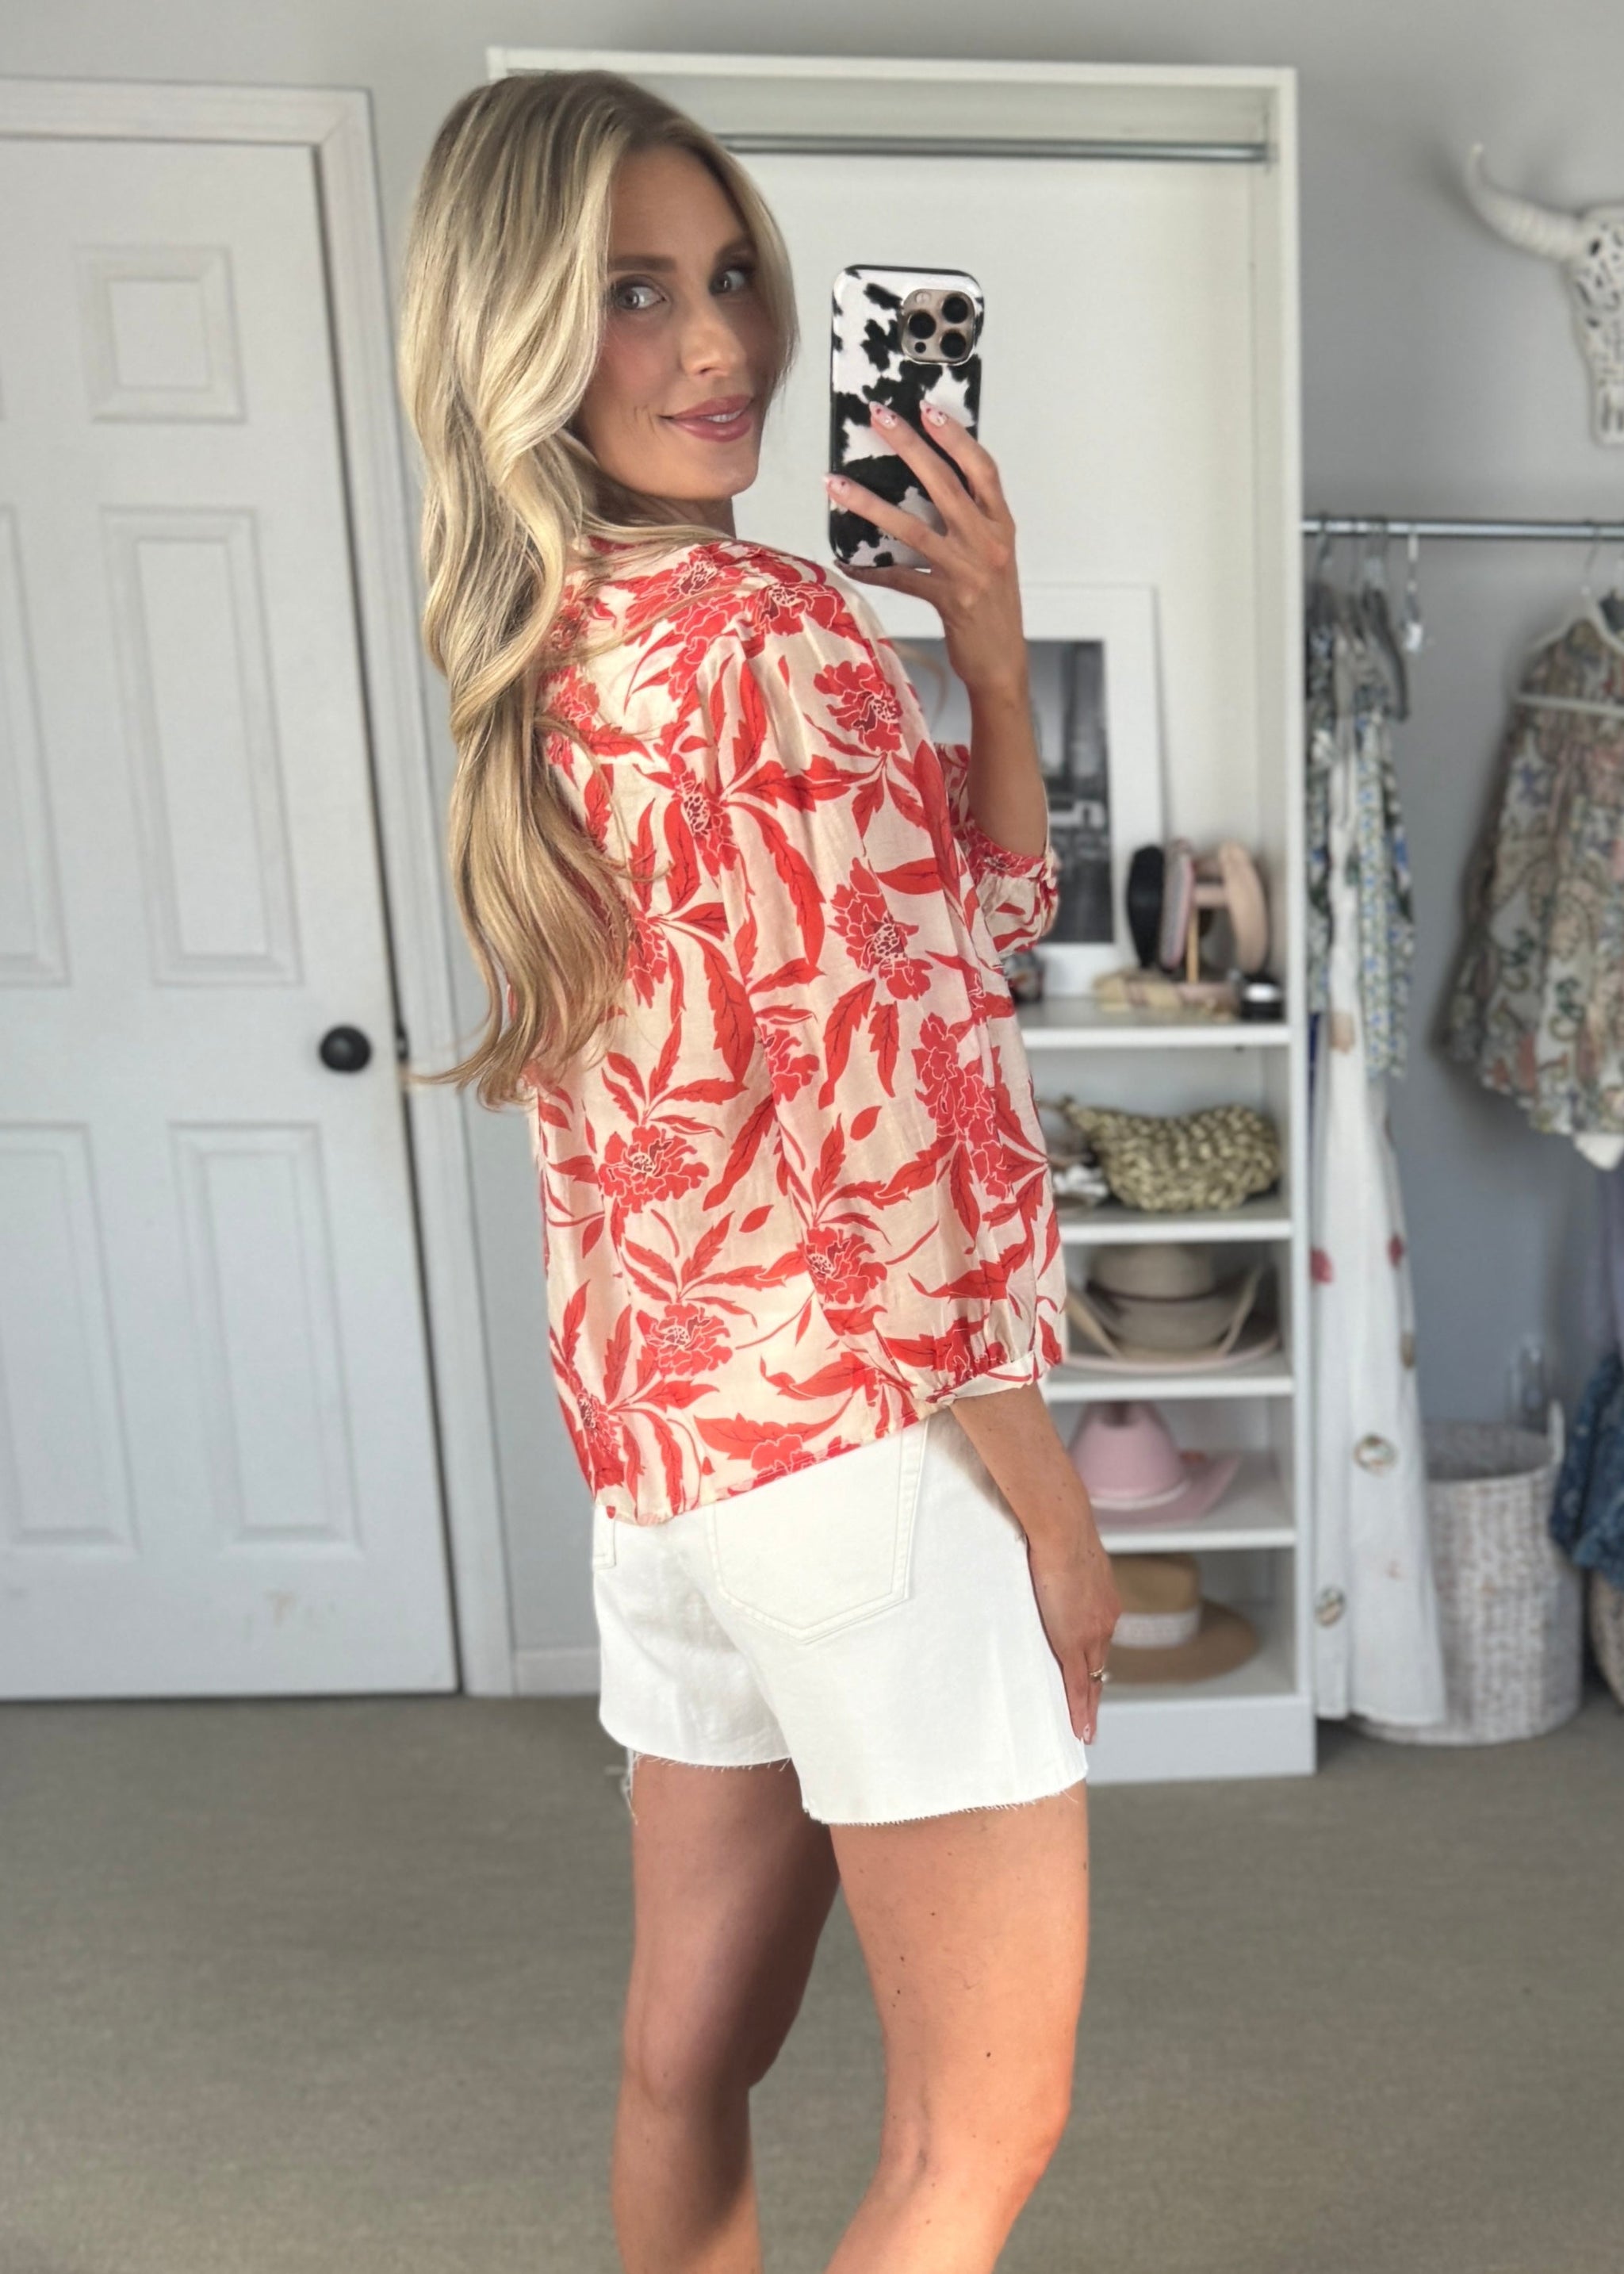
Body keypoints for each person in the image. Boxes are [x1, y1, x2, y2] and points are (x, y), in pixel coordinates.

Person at [400, 67, 1120, 2274]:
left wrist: (984, 670)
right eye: (634, 293)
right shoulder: (772, 635)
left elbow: (961, 939)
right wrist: (1057, 1509)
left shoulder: (553, 640)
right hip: (872, 1450)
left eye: (729, 278)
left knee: (684, 2060)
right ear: (522, 327)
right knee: (975, 2135)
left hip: (675, 1461)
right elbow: (906, 1131)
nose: (718, 345)